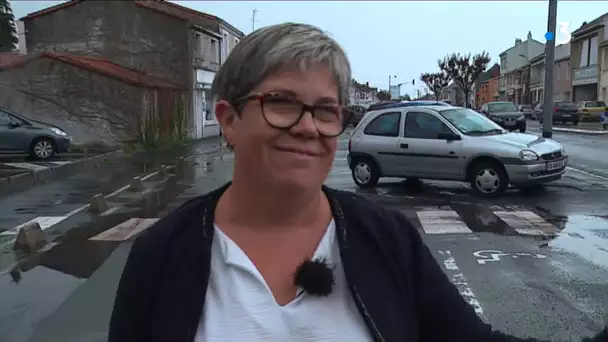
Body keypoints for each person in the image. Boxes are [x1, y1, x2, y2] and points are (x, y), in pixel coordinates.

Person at [108, 22, 607, 342]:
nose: (307, 126)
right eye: (282, 102)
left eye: (326, 110)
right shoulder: (162, 255)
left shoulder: (386, 240)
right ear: (229, 118)